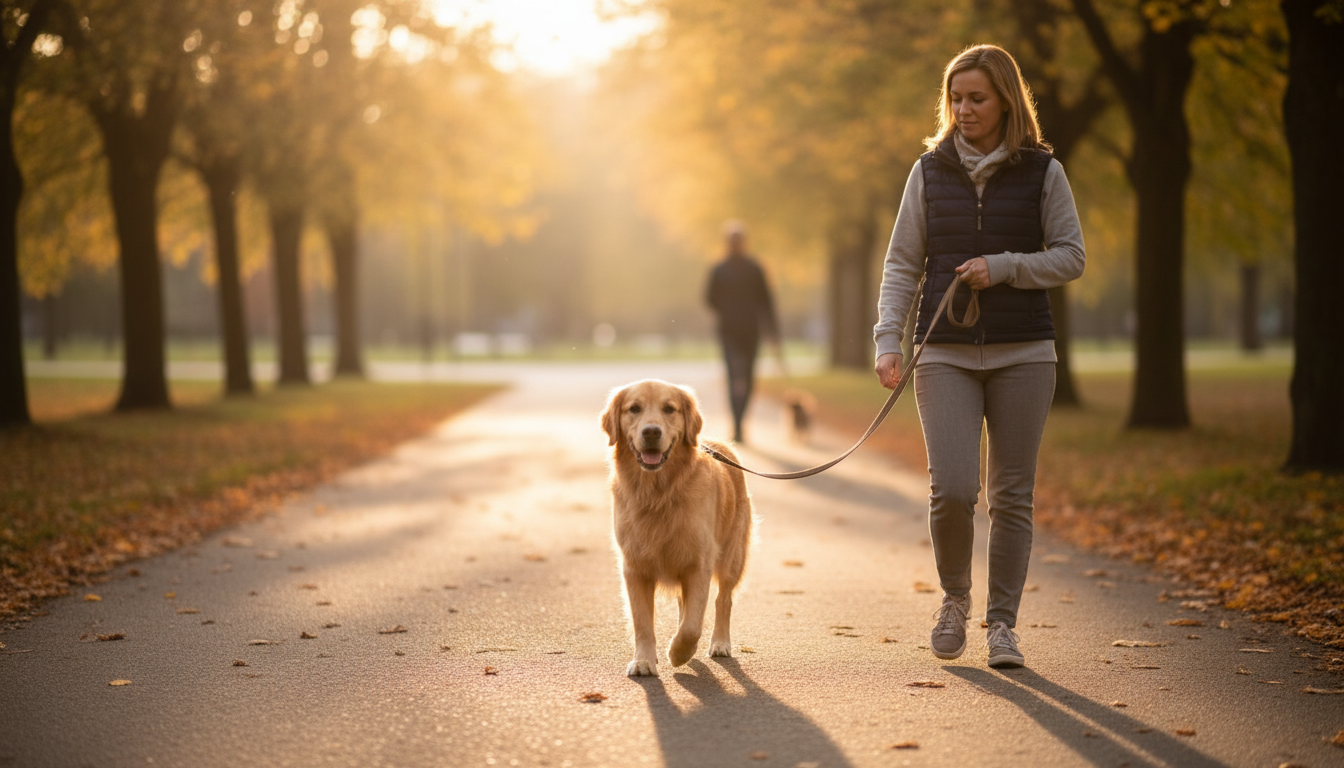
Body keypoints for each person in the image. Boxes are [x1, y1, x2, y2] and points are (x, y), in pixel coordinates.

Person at [872, 44, 1085, 668]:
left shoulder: (1045, 172)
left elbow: (1071, 255)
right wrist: (889, 339)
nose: (963, 110)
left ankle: (1003, 626)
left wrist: (1006, 267)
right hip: (945, 354)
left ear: (1005, 101)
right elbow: (902, 263)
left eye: (977, 99)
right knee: (955, 490)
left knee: (1013, 495)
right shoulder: (928, 172)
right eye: (955, 99)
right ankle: (955, 600)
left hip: (1026, 353)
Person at [705, 221, 781, 444]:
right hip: (729, 332)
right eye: (732, 240)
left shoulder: (755, 269)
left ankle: (741, 422)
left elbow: (766, 301)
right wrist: (726, 311)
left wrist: (773, 332)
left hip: (751, 332)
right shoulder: (719, 270)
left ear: (743, 243)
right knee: (733, 377)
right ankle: (737, 425)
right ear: (728, 243)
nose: (735, 244)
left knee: (747, 378)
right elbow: (709, 298)